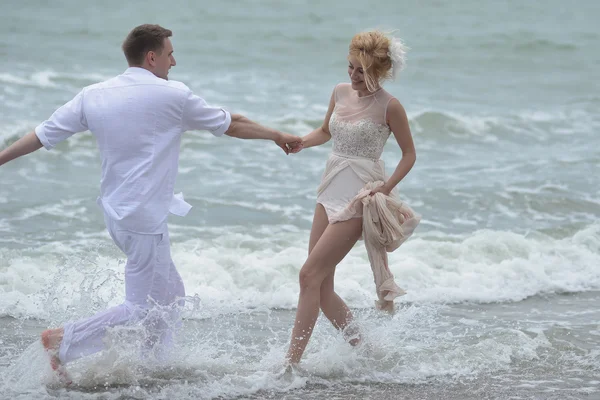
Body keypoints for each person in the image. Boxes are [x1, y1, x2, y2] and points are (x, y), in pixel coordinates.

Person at [0, 24, 302, 379]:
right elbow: (231, 123)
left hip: (120, 213)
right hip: (142, 216)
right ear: (152, 56)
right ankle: (61, 340)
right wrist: (276, 135)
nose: (175, 61)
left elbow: (40, 135)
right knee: (139, 308)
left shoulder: (93, 94)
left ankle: (151, 365)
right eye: (170, 53)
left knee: (171, 297)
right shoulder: (172, 96)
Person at [285, 30, 420, 366]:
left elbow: (409, 154)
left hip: (360, 196)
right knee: (321, 284)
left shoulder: (391, 106)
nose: (353, 76)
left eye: (362, 71)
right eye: (350, 67)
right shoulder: (339, 92)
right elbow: (326, 132)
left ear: (378, 72)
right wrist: (300, 141)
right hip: (329, 188)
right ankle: (366, 350)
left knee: (308, 275)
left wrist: (384, 189)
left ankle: (290, 364)